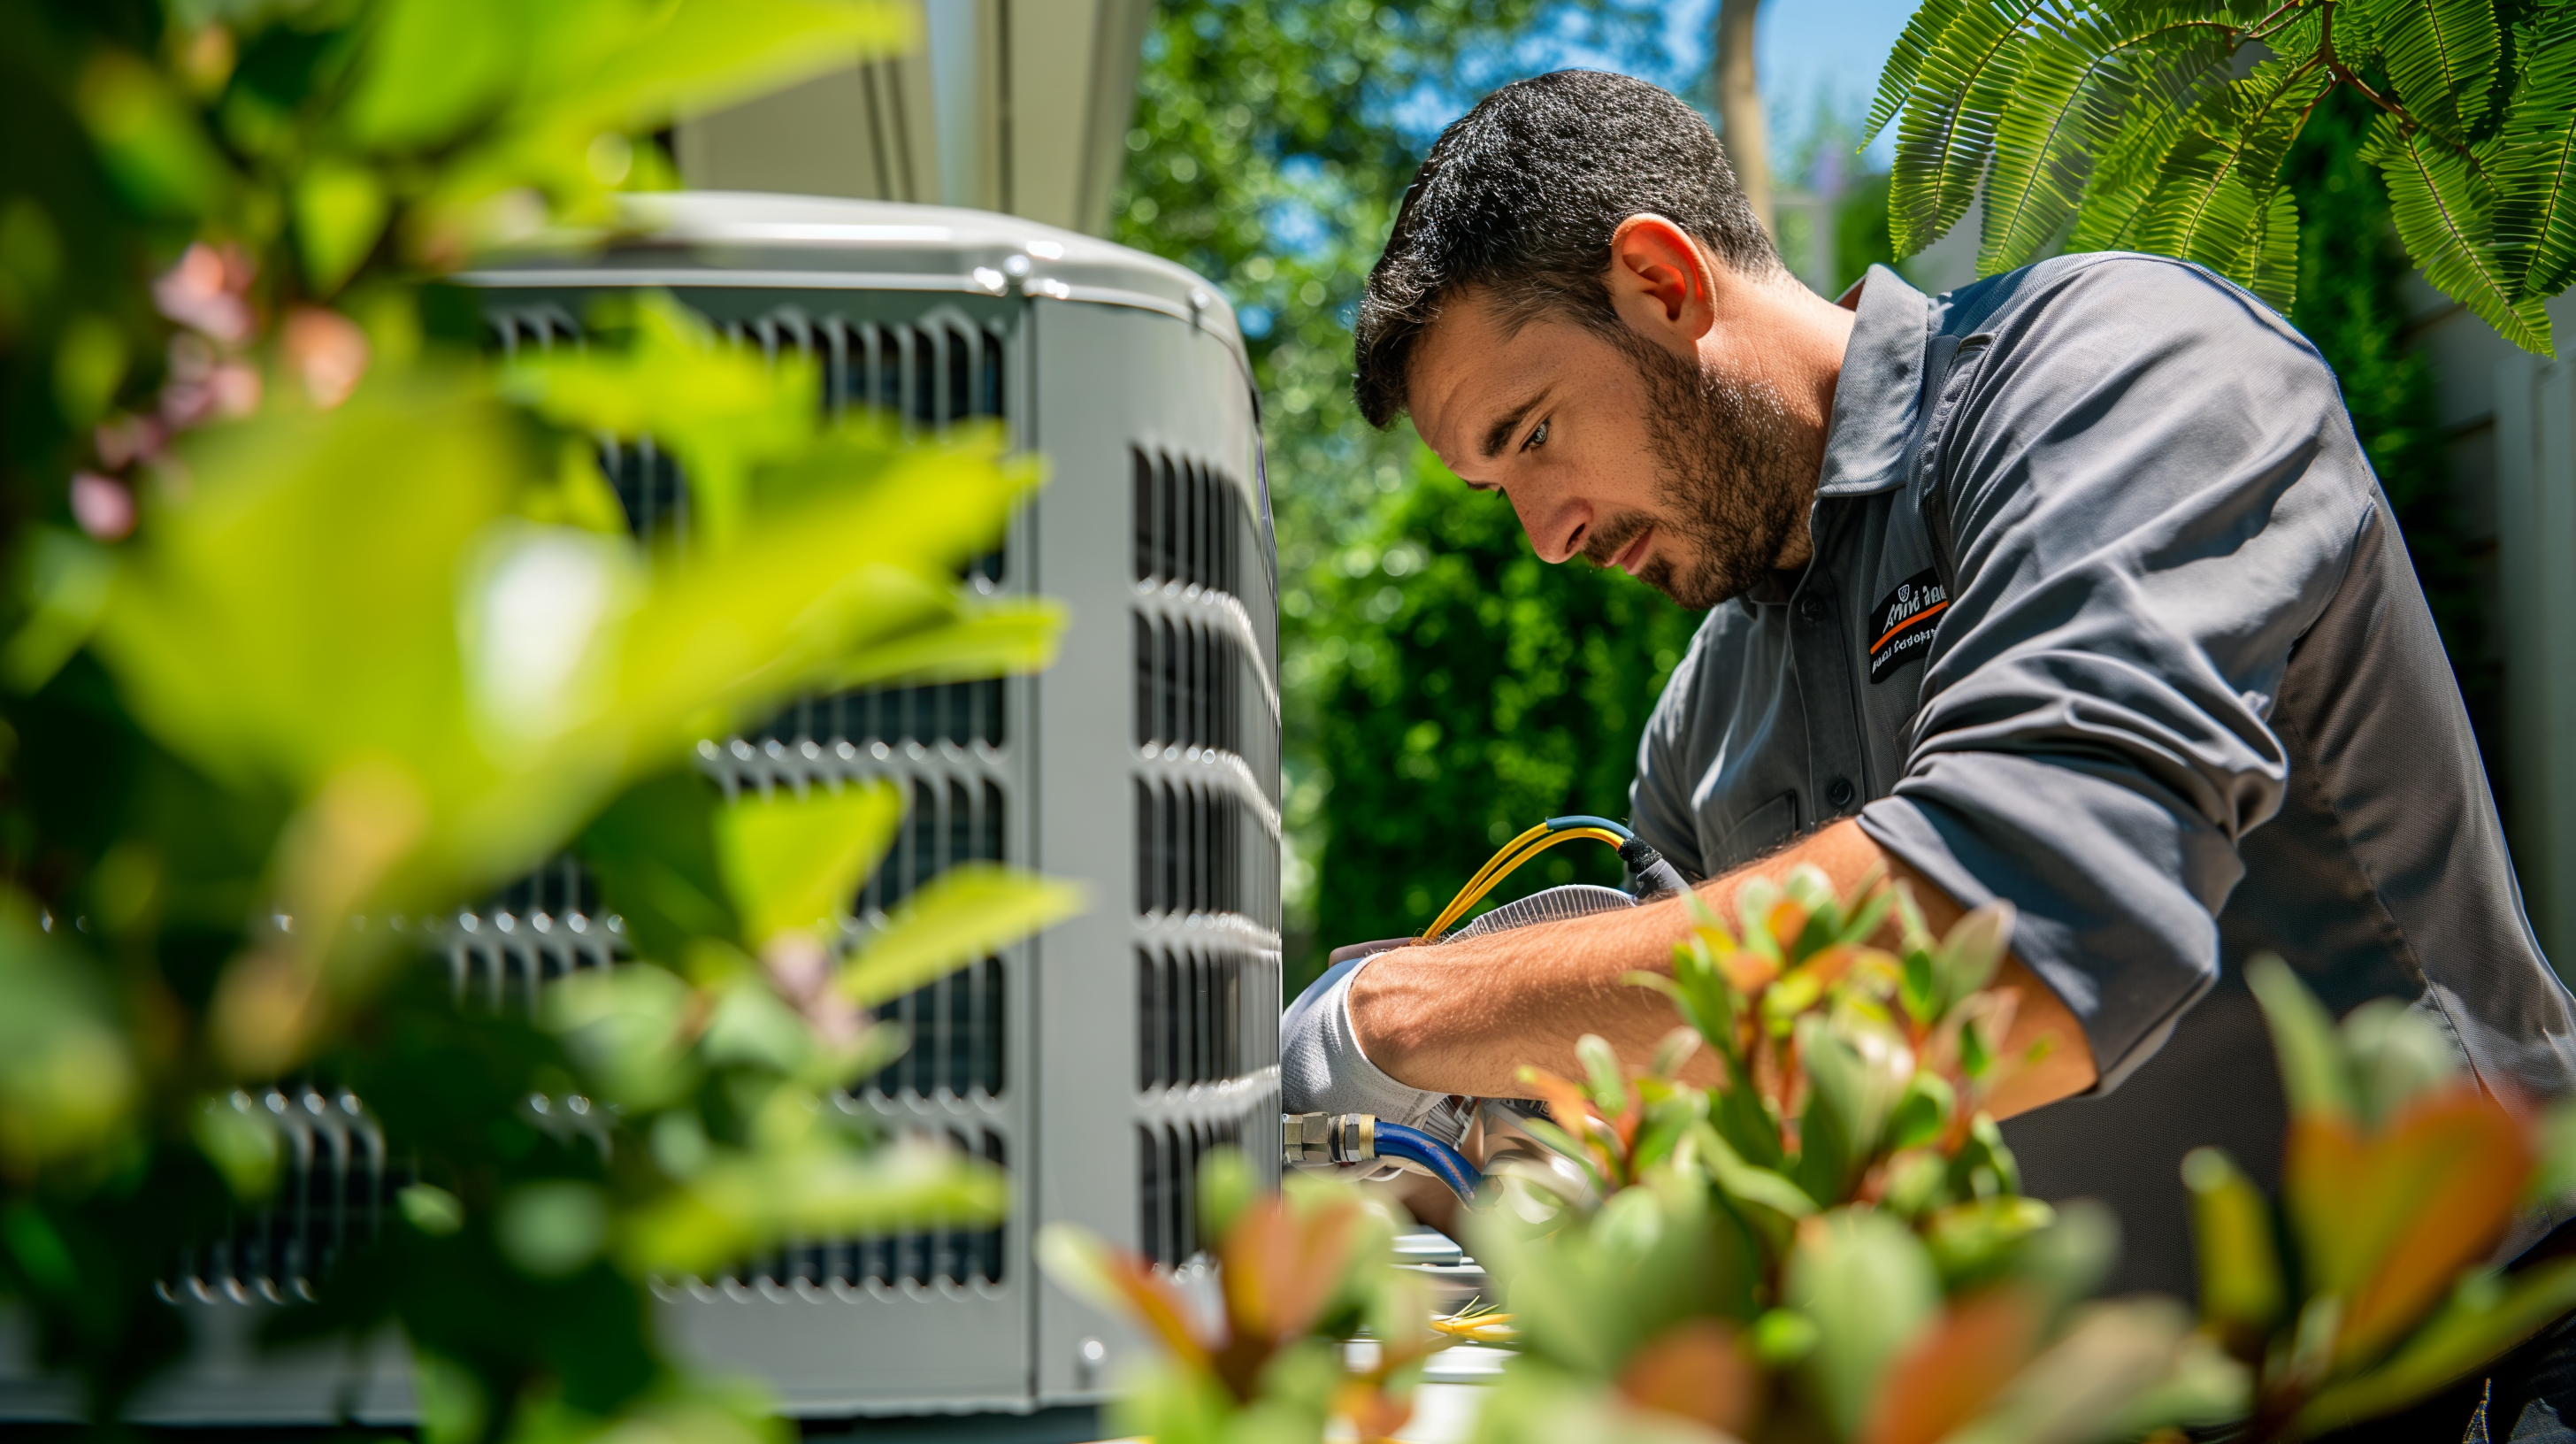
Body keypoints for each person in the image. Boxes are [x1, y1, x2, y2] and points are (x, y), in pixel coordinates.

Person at [1297, 67, 2576, 1437]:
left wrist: (1391, 1016)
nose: (1544, 535)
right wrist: (1441, 1165)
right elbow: (1703, 1133)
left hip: (2463, 1371)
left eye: (1532, 434)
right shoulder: (1702, 721)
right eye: (1498, 491)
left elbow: (2032, 938)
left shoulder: (2116, 376)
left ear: (1663, 286)